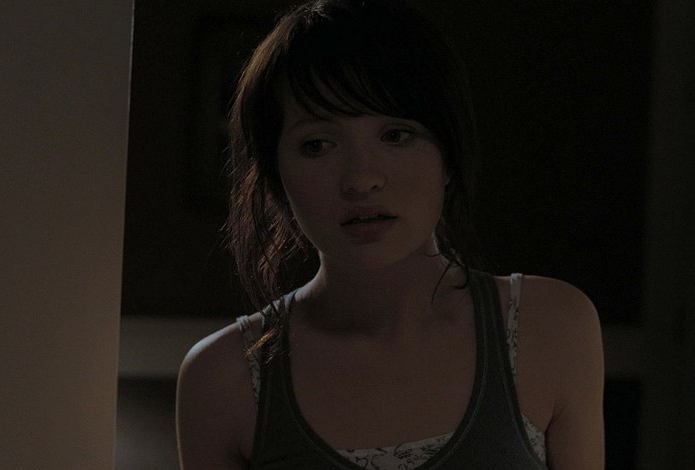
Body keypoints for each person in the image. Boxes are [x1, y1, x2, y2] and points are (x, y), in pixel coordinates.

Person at [175, 0, 604, 468]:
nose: (361, 180)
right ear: (277, 176)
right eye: (317, 145)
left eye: (396, 135)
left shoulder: (550, 327)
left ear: (448, 155)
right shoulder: (223, 379)